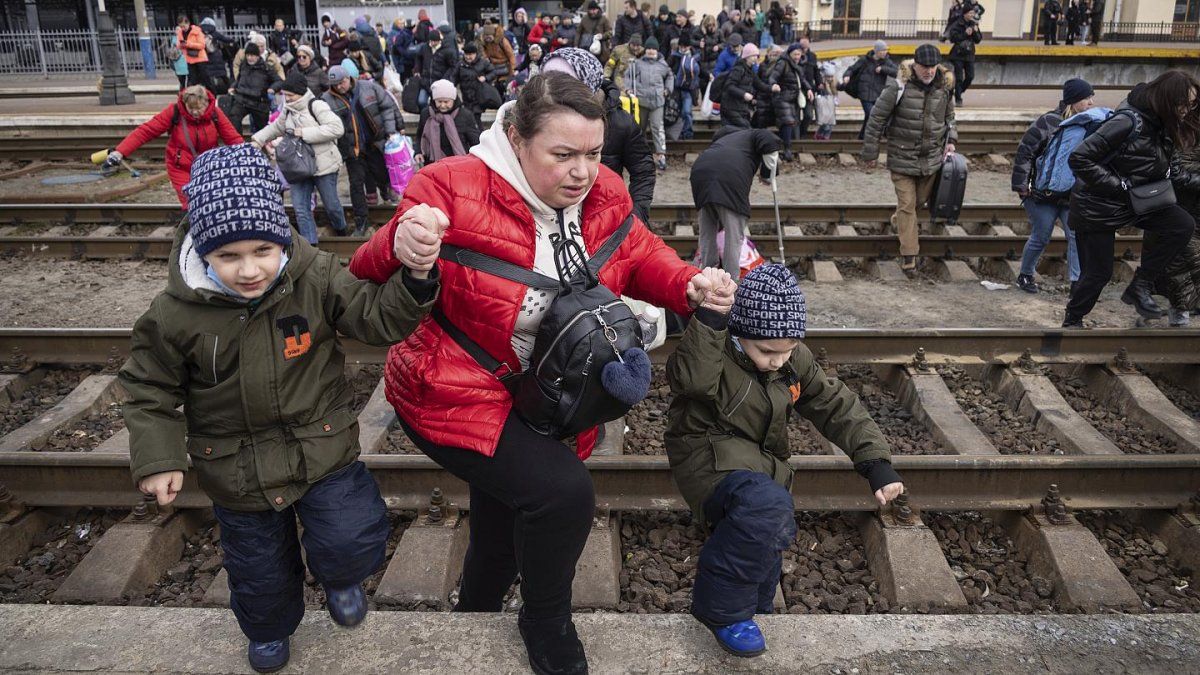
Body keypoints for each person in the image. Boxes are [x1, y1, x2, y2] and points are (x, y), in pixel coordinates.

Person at [348, 72, 721, 675]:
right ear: (517, 140)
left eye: (594, 154)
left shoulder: (603, 193)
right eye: (564, 154)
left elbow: (639, 252)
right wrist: (406, 241)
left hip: (548, 394)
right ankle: (545, 623)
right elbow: (365, 267)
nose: (583, 171)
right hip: (451, 387)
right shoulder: (450, 185)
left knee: (506, 509)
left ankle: (477, 611)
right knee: (562, 494)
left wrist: (688, 284)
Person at [122, 143, 438, 675]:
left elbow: (372, 317)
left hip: (321, 448)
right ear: (202, 251)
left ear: (282, 235)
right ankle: (269, 631)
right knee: (258, 569)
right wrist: (157, 457)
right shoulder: (174, 314)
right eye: (228, 257)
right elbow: (149, 388)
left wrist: (415, 279)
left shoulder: (312, 275)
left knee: (349, 534)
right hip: (236, 470)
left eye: (263, 250)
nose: (250, 270)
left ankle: (341, 578)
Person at [666, 263, 902, 657]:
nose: (779, 361)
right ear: (741, 334)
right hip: (705, 454)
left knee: (769, 519)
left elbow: (833, 403)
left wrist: (875, 462)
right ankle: (723, 613)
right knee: (766, 507)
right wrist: (709, 319)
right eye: (768, 352)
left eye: (788, 350)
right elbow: (689, 378)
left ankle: (752, 604)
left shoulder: (791, 358)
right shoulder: (715, 348)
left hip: (757, 460)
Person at [1064, 71, 1199, 327]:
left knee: (1181, 225)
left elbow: (1176, 174)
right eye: (1184, 104)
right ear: (1169, 99)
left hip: (1136, 201)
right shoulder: (1128, 121)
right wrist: (1118, 186)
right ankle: (1073, 320)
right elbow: (1079, 158)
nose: (1186, 110)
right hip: (1098, 205)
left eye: (1191, 105)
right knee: (1098, 273)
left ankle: (1140, 286)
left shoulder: (1164, 126)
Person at [860, 44, 957, 273]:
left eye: (933, 67)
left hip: (931, 160)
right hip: (902, 158)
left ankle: (898, 222)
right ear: (915, 65)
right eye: (924, 67)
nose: (929, 71)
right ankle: (909, 256)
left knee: (917, 204)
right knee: (907, 206)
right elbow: (876, 120)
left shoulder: (944, 87)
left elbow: (950, 117)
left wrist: (951, 139)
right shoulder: (898, 87)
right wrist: (870, 154)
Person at [543, 47, 657, 224]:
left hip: (603, 219)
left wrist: (637, 214)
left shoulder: (620, 122)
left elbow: (643, 170)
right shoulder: (540, 118)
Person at [1010, 78, 1099, 294]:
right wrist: (1022, 186)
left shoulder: (1090, 124)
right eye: (1086, 98)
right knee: (1041, 236)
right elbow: (1025, 153)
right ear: (1074, 100)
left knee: (1076, 236)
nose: (1090, 103)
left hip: (1072, 196)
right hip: (1041, 194)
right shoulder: (1048, 122)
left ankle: (1077, 283)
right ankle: (1025, 275)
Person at [106, 85, 242, 209]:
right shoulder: (175, 112)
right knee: (191, 204)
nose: (195, 112)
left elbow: (232, 138)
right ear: (184, 104)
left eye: (199, 108)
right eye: (191, 108)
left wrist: (248, 155)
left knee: (213, 203)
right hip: (181, 167)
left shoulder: (215, 114)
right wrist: (120, 152)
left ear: (206, 103)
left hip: (209, 167)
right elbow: (146, 131)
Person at [252, 70, 348, 242]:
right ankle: (311, 247)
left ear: (300, 93)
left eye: (290, 95)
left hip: (323, 165)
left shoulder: (316, 105)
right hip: (298, 166)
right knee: (301, 209)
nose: (286, 99)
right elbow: (276, 128)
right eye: (284, 95)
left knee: (331, 205)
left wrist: (304, 132)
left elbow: (336, 128)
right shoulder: (288, 110)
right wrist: (258, 139)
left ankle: (341, 229)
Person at [691, 127, 781, 277]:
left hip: (700, 172)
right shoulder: (754, 133)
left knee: (707, 234)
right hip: (729, 179)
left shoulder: (723, 144)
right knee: (733, 237)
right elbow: (770, 141)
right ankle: (731, 281)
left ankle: (707, 276)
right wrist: (767, 175)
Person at [324, 66, 402, 233]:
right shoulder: (327, 99)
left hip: (375, 143)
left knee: (381, 173)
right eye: (335, 84)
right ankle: (361, 220)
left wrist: (391, 130)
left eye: (342, 82)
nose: (339, 87)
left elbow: (388, 107)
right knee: (356, 184)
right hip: (352, 150)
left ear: (349, 78)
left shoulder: (369, 87)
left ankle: (387, 193)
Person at [1154, 146, 1200, 326]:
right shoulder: (1183, 137)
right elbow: (1176, 175)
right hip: (1185, 209)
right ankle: (1180, 315)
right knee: (1182, 264)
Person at [628, 37, 673, 171]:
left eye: (653, 48)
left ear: (657, 50)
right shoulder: (638, 63)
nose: (651, 51)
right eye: (648, 49)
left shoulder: (663, 65)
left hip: (657, 101)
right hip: (641, 101)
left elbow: (670, 76)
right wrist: (628, 88)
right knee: (639, 128)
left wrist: (667, 89)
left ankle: (661, 155)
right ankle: (639, 156)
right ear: (645, 50)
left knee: (657, 128)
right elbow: (629, 76)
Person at [416, 79, 482, 166]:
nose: (442, 105)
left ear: (453, 100)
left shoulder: (465, 115)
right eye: (439, 101)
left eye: (446, 102)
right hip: (432, 164)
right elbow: (420, 136)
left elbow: (475, 141)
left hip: (458, 164)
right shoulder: (426, 114)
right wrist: (418, 152)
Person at [842, 40, 897, 140]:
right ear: (876, 51)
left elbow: (896, 72)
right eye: (883, 50)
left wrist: (883, 69)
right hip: (865, 93)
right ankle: (872, 137)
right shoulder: (865, 60)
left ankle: (862, 137)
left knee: (870, 116)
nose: (885, 52)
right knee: (871, 114)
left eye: (886, 50)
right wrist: (847, 76)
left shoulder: (887, 62)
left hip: (878, 93)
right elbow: (852, 69)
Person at [768, 43, 814, 162]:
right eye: (795, 54)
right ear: (789, 54)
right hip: (782, 97)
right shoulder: (783, 63)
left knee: (790, 123)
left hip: (793, 98)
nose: (797, 56)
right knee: (788, 122)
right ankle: (787, 150)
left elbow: (802, 80)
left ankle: (786, 147)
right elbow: (773, 76)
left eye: (799, 54)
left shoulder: (798, 65)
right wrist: (774, 85)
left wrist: (809, 89)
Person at [225, 42, 282, 135]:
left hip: (259, 102)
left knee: (262, 129)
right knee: (234, 116)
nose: (249, 58)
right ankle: (238, 143)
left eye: (252, 55)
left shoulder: (266, 68)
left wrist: (272, 89)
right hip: (242, 99)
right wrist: (232, 87)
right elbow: (238, 80)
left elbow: (279, 81)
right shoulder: (243, 66)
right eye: (248, 55)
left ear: (257, 56)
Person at [720, 43, 771, 130]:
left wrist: (772, 88)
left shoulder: (750, 70)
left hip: (741, 108)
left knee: (743, 131)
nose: (756, 58)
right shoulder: (739, 69)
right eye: (753, 56)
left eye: (757, 56)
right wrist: (744, 94)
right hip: (731, 108)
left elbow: (759, 84)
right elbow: (729, 86)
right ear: (747, 57)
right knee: (745, 130)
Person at [947, 8, 981, 106]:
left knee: (970, 76)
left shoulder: (974, 24)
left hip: (969, 54)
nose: (971, 15)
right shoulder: (957, 24)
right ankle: (958, 99)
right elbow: (953, 38)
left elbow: (978, 40)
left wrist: (975, 32)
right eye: (970, 13)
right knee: (959, 78)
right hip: (958, 54)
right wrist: (965, 33)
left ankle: (958, 91)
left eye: (973, 13)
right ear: (965, 14)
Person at [672, 35, 702, 141]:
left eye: (685, 47)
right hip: (676, 89)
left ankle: (688, 133)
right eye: (681, 46)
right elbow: (669, 68)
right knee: (678, 111)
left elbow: (700, 71)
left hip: (688, 89)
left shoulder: (695, 57)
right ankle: (680, 133)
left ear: (689, 47)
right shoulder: (674, 56)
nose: (683, 49)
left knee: (686, 111)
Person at [199, 18, 235, 94]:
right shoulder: (214, 33)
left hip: (205, 58)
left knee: (210, 78)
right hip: (216, 58)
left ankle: (212, 93)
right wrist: (232, 40)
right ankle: (230, 89)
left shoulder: (200, 33)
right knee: (223, 75)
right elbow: (225, 39)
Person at [176, 15, 212, 91]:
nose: (183, 28)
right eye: (181, 26)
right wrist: (181, 45)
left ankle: (212, 95)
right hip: (190, 59)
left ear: (188, 23)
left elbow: (202, 45)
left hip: (200, 59)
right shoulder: (180, 33)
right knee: (193, 80)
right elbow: (178, 45)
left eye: (184, 26)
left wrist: (188, 44)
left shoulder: (197, 31)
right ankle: (195, 97)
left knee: (205, 79)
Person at [480, 24, 517, 94]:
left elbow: (511, 56)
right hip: (493, 70)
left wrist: (513, 70)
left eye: (489, 35)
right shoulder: (485, 43)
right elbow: (485, 56)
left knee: (505, 89)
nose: (487, 37)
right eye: (486, 35)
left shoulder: (502, 41)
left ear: (493, 34)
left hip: (505, 69)